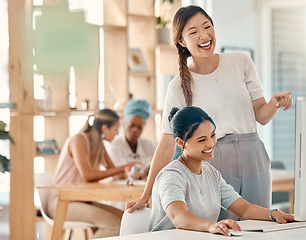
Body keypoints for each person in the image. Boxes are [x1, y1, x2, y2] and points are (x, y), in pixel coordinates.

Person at [127, 5, 293, 220]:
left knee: (261, 223)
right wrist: (146, 194)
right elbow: (167, 143)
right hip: (213, 159)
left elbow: (261, 116)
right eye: (193, 32)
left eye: (207, 27)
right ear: (181, 42)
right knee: (223, 227)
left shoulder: (240, 62)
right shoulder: (177, 87)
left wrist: (274, 103)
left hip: (254, 155)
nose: (204, 35)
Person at [149, 106, 294, 235]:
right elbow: (178, 217)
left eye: (212, 135)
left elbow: (242, 208)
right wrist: (212, 226)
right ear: (181, 143)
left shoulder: (211, 173)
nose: (211, 144)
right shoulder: (171, 176)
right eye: (201, 140)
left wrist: (273, 214)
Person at [47, 109, 140, 238]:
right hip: (64, 202)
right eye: (115, 129)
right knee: (115, 225)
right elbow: (87, 175)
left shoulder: (98, 144)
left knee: (125, 219)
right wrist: (124, 167)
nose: (117, 133)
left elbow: (115, 174)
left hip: (82, 200)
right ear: (104, 128)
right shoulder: (78, 140)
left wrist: (137, 172)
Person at [105, 99, 157, 179]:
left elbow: (160, 160)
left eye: (139, 127)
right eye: (131, 125)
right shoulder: (114, 145)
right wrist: (141, 174)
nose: (135, 130)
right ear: (124, 124)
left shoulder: (147, 144)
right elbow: (118, 175)